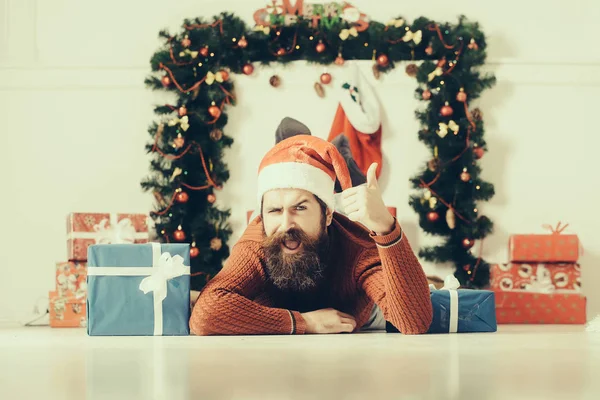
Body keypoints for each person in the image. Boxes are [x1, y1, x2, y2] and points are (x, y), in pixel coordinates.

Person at [190, 132, 433, 335]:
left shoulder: (357, 248)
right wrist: (304, 323)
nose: (286, 224)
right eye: (275, 210)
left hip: (361, 321)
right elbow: (205, 315)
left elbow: (414, 323)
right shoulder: (259, 240)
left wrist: (385, 226)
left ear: (327, 214)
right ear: (262, 216)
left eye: (300, 208)